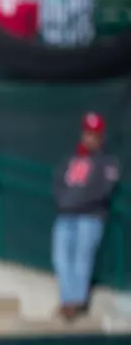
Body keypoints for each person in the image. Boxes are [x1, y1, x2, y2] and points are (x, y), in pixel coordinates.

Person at [52, 112, 121, 322]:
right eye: (87, 133)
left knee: (82, 259)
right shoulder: (71, 158)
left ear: (101, 136)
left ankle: (75, 302)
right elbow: (58, 183)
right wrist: (64, 201)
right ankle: (66, 299)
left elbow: (103, 191)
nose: (89, 137)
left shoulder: (108, 162)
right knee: (60, 258)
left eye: (94, 134)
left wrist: (75, 201)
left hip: (90, 217)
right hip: (65, 216)